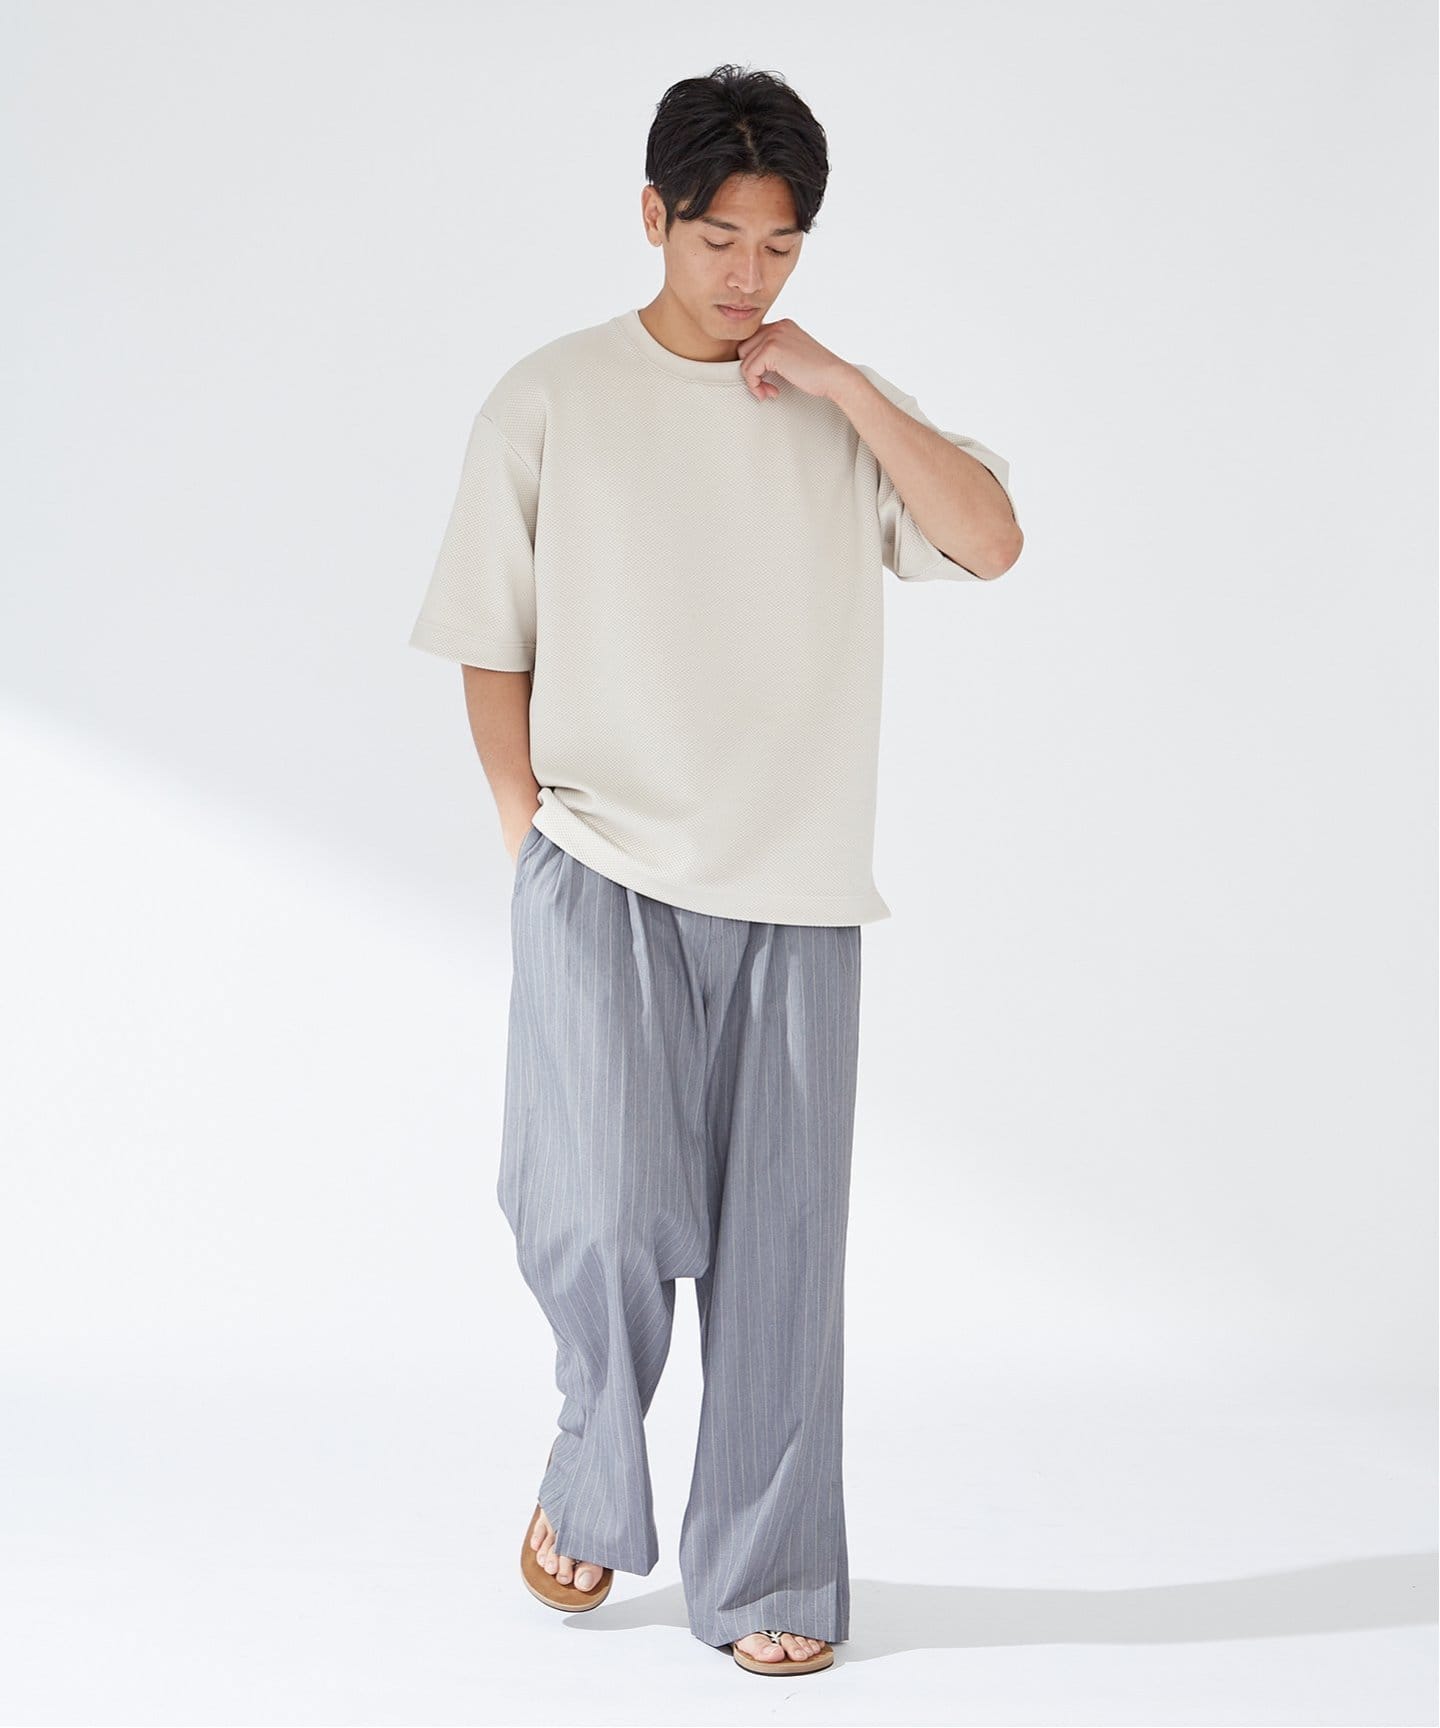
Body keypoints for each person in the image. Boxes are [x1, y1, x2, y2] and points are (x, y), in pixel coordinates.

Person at [407, 62, 1022, 1676]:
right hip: (600, 860)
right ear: (653, 218)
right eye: (719, 239)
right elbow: (488, 638)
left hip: (798, 890)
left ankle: (770, 1574)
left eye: (780, 245)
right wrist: (528, 838)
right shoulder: (551, 397)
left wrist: (843, 382)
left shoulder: (829, 406)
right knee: (599, 1209)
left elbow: (988, 538)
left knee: (780, 1259)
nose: (748, 274)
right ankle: (590, 1475)